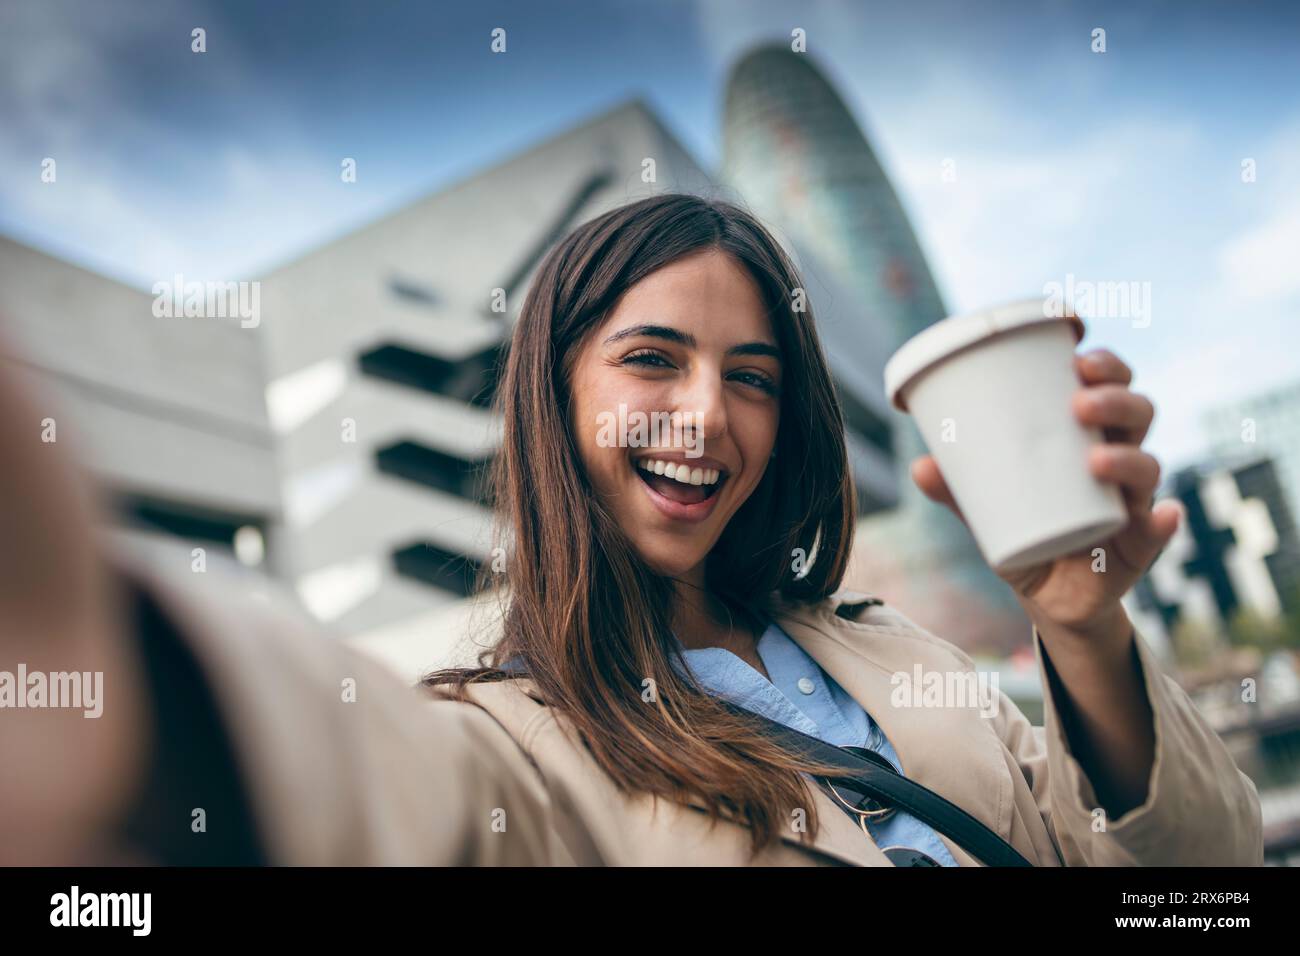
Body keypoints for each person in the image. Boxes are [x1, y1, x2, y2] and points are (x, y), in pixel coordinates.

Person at [0, 194, 1261, 866]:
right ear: (554, 394)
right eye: (651, 359)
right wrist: (108, 659)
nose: (706, 416)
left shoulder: (894, 650)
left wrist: (1081, 623)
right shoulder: (504, 741)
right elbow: (370, 790)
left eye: (754, 375)